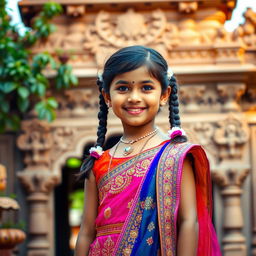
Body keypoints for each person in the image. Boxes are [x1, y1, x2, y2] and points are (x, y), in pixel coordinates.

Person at [74, 45, 221, 256]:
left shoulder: (175, 157)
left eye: (146, 88)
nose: (134, 97)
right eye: (123, 88)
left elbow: (189, 222)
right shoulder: (98, 163)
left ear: (164, 94)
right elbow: (87, 232)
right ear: (107, 96)